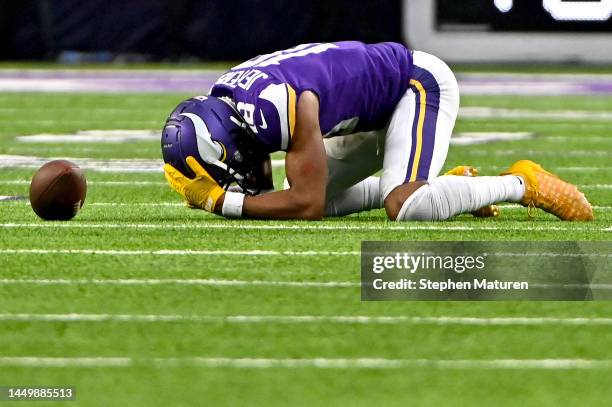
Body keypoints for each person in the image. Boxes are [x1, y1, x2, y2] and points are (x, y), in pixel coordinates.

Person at [161, 41, 593, 221]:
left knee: (405, 206)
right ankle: (449, 188)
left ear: (232, 144)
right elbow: (307, 199)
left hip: (416, 85)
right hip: (370, 109)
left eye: (229, 170)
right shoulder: (231, 97)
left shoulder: (270, 108)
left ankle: (522, 184)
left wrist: (223, 202)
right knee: (303, 199)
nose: (239, 178)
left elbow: (305, 203)